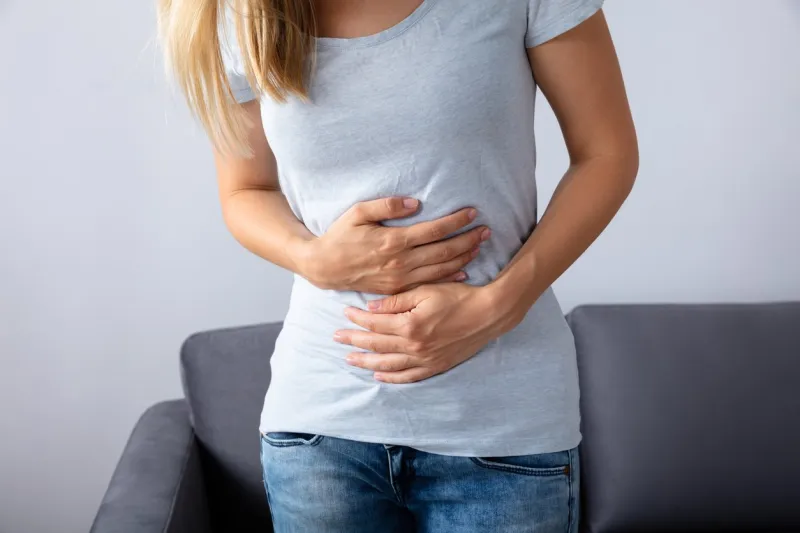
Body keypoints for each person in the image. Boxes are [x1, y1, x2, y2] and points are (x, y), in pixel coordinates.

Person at [158, 0, 638, 531]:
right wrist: (312, 258)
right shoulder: (243, 14)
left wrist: (499, 305)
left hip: (505, 429)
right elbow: (246, 190)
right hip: (322, 435)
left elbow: (607, 153)